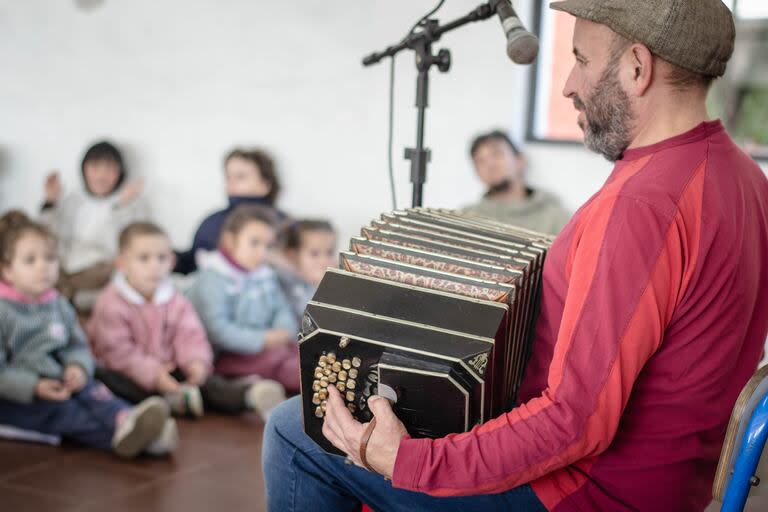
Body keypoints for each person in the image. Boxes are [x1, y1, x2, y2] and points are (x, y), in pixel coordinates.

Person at [261, 1, 768, 511]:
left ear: (637, 67)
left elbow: (575, 423)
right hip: (676, 485)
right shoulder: (745, 178)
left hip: (589, 493)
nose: (570, 84)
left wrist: (408, 461)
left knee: (292, 432)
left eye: (582, 60)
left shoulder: (642, 205)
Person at [0, 211, 176, 458]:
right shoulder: (4, 311)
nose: (43, 267)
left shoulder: (59, 304)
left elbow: (76, 345)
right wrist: (34, 386)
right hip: (22, 396)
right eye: (30, 260)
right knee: (67, 414)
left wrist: (77, 367)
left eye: (50, 258)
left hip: (62, 380)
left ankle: (125, 418)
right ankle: (138, 439)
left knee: (96, 392)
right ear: (7, 270)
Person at [87, 222, 285, 420]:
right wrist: (155, 375)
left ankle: (248, 395)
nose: (154, 266)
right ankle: (162, 406)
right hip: (130, 372)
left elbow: (190, 334)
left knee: (208, 382)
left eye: (161, 258)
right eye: (144, 259)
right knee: (110, 383)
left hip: (172, 369)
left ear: (172, 261)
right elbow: (118, 353)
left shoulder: (174, 298)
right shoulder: (112, 302)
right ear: (121, 263)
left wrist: (195, 362)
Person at [186, 204, 299, 393]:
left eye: (268, 246)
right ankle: (300, 381)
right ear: (230, 240)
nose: (262, 253)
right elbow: (217, 330)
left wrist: (284, 330)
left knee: (298, 349)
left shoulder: (264, 274)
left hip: (268, 345)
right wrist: (262, 339)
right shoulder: (213, 278)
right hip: (229, 354)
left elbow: (281, 308)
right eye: (254, 243)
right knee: (280, 362)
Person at [40, 140, 151, 311]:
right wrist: (50, 203)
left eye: (109, 168)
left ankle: (72, 299)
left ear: (120, 172)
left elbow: (126, 245)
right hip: (67, 269)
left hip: (99, 271)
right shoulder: (73, 200)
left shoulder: (129, 203)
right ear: (84, 169)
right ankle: (68, 298)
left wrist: (120, 207)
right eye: (95, 167)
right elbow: (47, 236)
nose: (101, 175)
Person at [174, 147, 286, 275]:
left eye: (240, 177)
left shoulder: (285, 224)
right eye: (228, 177)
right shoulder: (212, 222)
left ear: (265, 185)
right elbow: (194, 262)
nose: (231, 183)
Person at [460, 130, 569, 235]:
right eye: (481, 160)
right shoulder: (466, 219)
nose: (490, 164)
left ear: (520, 160)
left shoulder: (557, 219)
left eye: (497, 154)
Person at [276, 219, 337, 324]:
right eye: (314, 253)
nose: (324, 261)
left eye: (329, 252)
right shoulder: (286, 283)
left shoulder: (330, 281)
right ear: (292, 256)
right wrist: (321, 288)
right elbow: (308, 319)